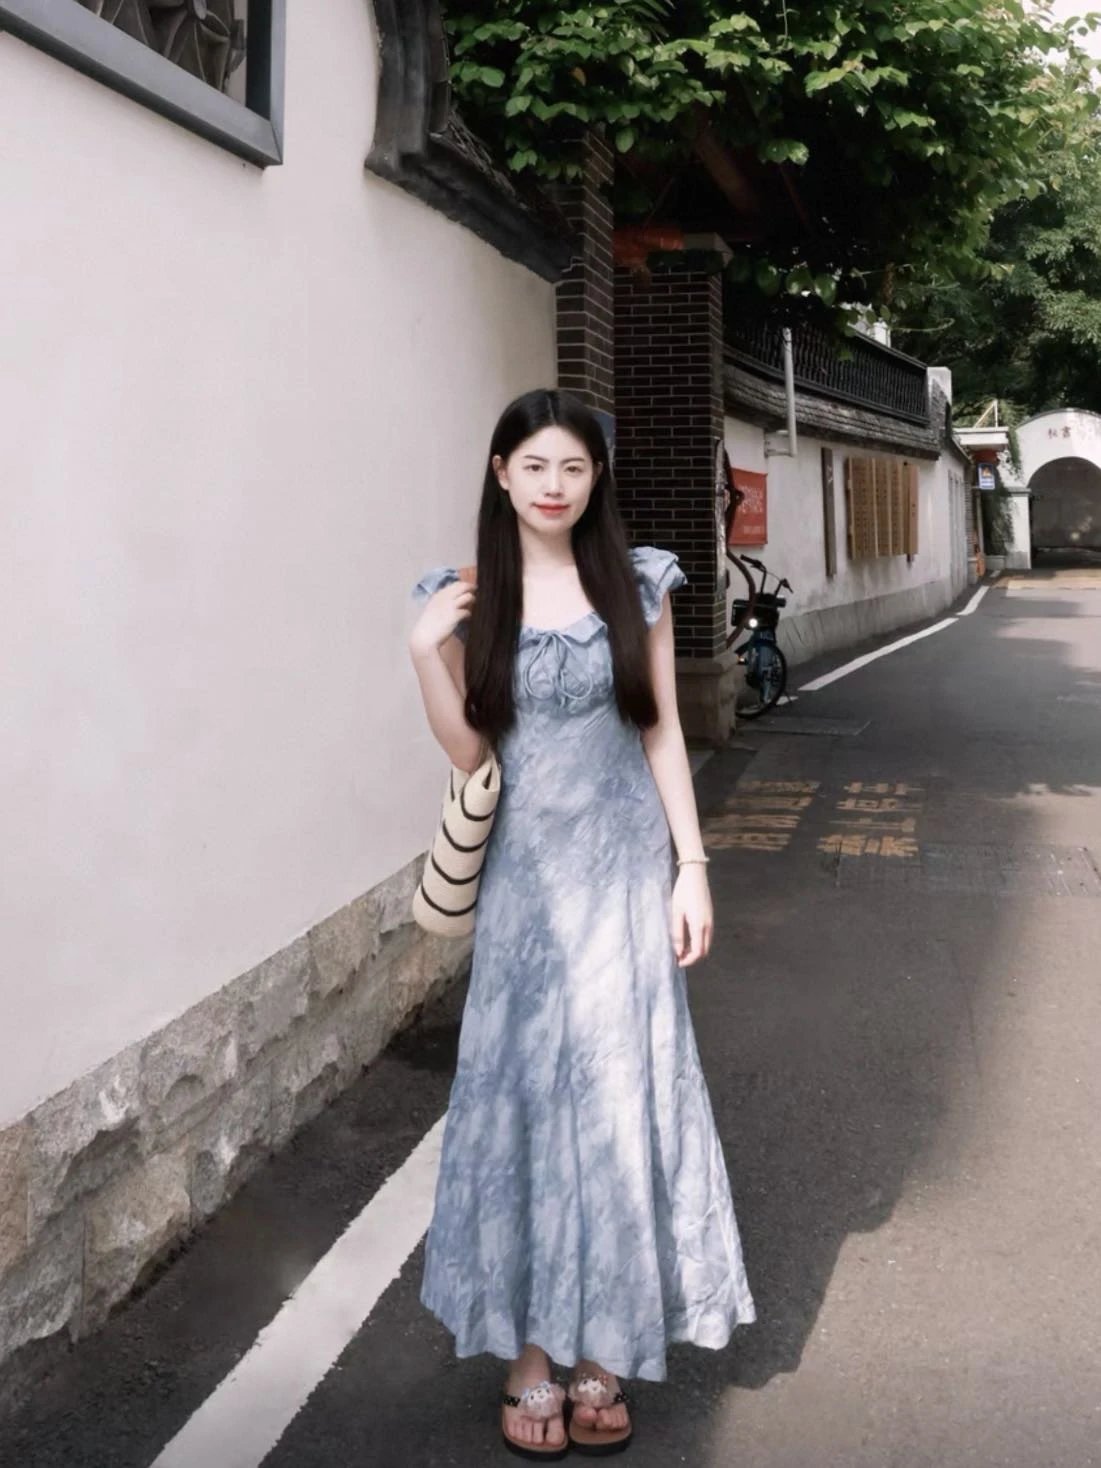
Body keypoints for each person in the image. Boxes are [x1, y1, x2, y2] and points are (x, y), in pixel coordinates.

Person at [408, 389, 755, 1460]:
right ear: (501, 473)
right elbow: (472, 753)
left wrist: (690, 867)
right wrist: (425, 652)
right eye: (535, 466)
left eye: (573, 466)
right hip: (525, 897)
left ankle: (603, 1346)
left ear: (595, 477)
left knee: (618, 1103)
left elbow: (661, 735)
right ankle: (529, 1360)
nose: (554, 485)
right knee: (524, 1110)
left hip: (622, 881)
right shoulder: (466, 597)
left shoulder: (635, 583)